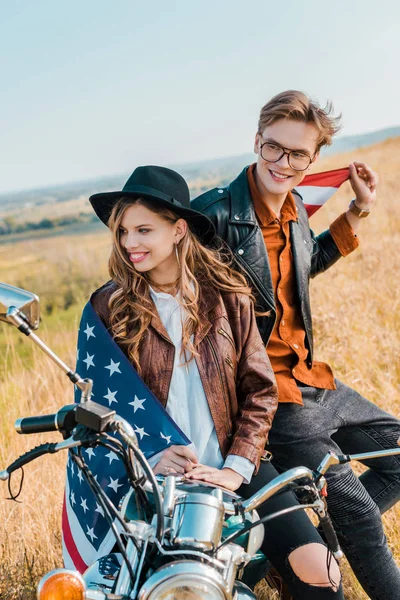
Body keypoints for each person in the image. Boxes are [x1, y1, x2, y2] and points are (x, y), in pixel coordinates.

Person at [88, 165, 344, 598]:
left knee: (322, 574)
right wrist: (149, 456)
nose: (130, 243)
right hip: (151, 479)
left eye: (144, 230)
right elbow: (94, 406)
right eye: (124, 232)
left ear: (179, 230)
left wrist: (235, 468)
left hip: (233, 464)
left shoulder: (229, 295)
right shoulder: (108, 307)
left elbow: (261, 390)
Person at [192, 89, 400, 599]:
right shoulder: (214, 218)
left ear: (314, 158)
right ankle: (322, 549)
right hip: (272, 397)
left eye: (298, 154)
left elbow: (300, 270)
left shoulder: (295, 210)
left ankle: (308, 546)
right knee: (360, 513)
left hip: (314, 381)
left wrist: (357, 213)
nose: (283, 163)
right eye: (273, 148)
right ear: (256, 141)